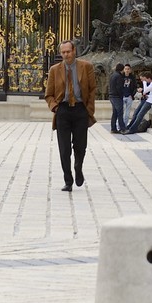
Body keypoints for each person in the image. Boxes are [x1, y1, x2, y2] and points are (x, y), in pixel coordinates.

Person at [45, 39, 96, 190]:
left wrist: (89, 110)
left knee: (80, 146)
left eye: (68, 51)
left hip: (80, 110)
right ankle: (68, 180)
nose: (66, 55)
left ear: (74, 51)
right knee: (64, 148)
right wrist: (55, 108)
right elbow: (48, 94)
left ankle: (78, 168)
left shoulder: (86, 67)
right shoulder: (55, 70)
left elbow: (93, 89)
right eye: (63, 52)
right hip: (63, 111)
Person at [125, 68, 152, 134]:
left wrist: (144, 83)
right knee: (137, 113)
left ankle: (132, 129)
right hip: (149, 99)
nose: (143, 81)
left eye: (144, 79)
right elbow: (151, 93)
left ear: (147, 78)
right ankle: (130, 127)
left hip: (151, 101)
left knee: (140, 114)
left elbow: (145, 91)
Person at [108, 62, 126, 135]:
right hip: (117, 97)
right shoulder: (119, 76)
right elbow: (119, 87)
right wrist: (122, 95)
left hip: (112, 96)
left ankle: (113, 128)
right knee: (120, 113)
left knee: (115, 113)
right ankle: (122, 129)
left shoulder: (113, 75)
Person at [121, 63, 139, 129]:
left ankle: (125, 125)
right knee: (121, 112)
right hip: (122, 96)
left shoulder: (132, 77)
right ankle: (120, 125)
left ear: (130, 70)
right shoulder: (121, 77)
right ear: (123, 70)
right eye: (125, 69)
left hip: (129, 96)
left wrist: (132, 95)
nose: (127, 70)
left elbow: (135, 87)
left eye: (128, 69)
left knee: (127, 112)